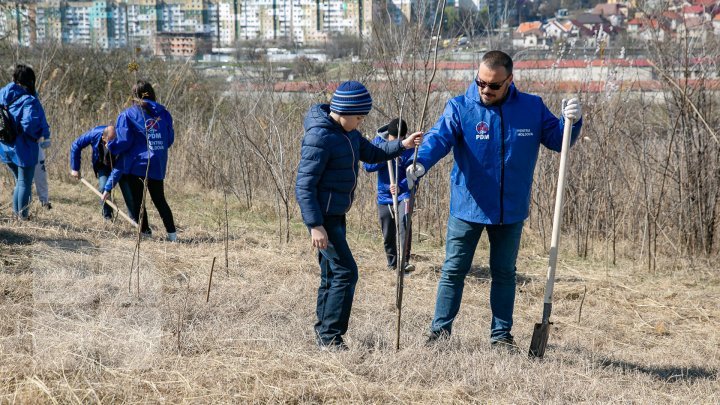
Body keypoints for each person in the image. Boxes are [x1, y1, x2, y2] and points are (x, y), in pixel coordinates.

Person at [405, 50, 583, 348]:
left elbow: (557, 140)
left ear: (509, 80)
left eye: (494, 85)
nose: (485, 90)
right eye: (480, 83)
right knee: (453, 270)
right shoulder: (460, 107)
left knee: (504, 273)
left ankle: (501, 336)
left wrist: (572, 123)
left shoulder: (531, 107)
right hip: (468, 206)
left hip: (510, 209)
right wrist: (419, 162)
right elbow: (438, 138)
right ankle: (439, 332)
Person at [295, 81, 423, 350]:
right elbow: (304, 185)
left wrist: (402, 145)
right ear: (343, 111)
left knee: (331, 274)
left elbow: (373, 152)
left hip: (336, 215)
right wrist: (315, 225)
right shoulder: (320, 137)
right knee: (346, 273)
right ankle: (331, 338)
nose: (361, 121)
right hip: (324, 219)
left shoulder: (349, 133)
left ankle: (323, 332)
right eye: (358, 117)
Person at [101, 80, 177, 241]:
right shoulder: (164, 113)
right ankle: (172, 235)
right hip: (157, 163)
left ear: (134, 95)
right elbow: (169, 139)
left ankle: (146, 233)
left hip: (136, 165)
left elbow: (124, 141)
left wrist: (111, 146)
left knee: (138, 201)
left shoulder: (127, 114)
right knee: (159, 199)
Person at [363, 118, 416, 272]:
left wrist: (400, 186)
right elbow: (367, 165)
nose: (398, 143)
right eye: (395, 140)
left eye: (401, 140)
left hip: (404, 193)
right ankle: (392, 263)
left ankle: (404, 262)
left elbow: (415, 173)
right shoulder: (378, 142)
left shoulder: (410, 146)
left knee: (404, 223)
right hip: (384, 195)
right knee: (387, 231)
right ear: (389, 136)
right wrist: (385, 154)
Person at [0, 64, 51, 220]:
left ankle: (18, 216)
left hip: (4, 145)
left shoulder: (2, 93)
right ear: (30, 81)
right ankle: (21, 217)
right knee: (24, 183)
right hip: (23, 147)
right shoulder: (28, 100)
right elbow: (29, 123)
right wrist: (37, 136)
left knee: (19, 181)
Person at [69, 125, 135, 221]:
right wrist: (75, 168)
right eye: (110, 141)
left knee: (129, 193)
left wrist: (109, 188)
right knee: (103, 189)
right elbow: (76, 145)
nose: (113, 143)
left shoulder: (122, 140)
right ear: (103, 138)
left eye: (115, 140)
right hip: (102, 165)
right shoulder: (94, 134)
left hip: (121, 167)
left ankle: (135, 220)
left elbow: (118, 168)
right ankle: (107, 217)